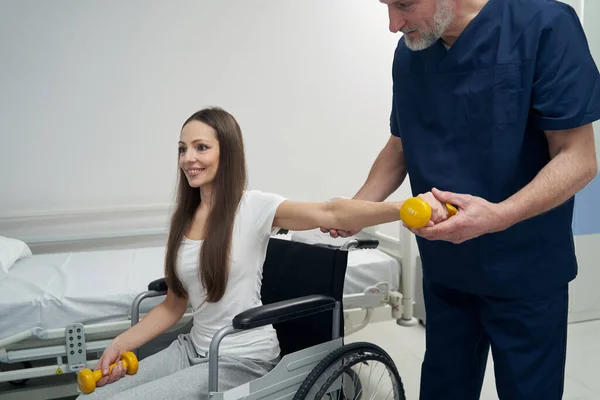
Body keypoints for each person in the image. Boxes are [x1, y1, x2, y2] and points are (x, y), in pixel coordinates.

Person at [321, 0, 600, 399]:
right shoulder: (412, 50)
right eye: (385, 6)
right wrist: (357, 209)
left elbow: (579, 158)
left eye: (403, 5)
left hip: (523, 271)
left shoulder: (544, 26)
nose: (392, 24)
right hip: (446, 268)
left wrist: (500, 216)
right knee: (443, 388)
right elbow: (400, 145)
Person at [77, 107, 429, 400]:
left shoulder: (254, 208)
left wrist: (404, 207)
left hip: (240, 358)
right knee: (88, 396)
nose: (188, 158)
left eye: (201, 147)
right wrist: (119, 343)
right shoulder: (183, 217)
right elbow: (173, 305)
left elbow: (331, 212)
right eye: (182, 149)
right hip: (193, 348)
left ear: (225, 152)